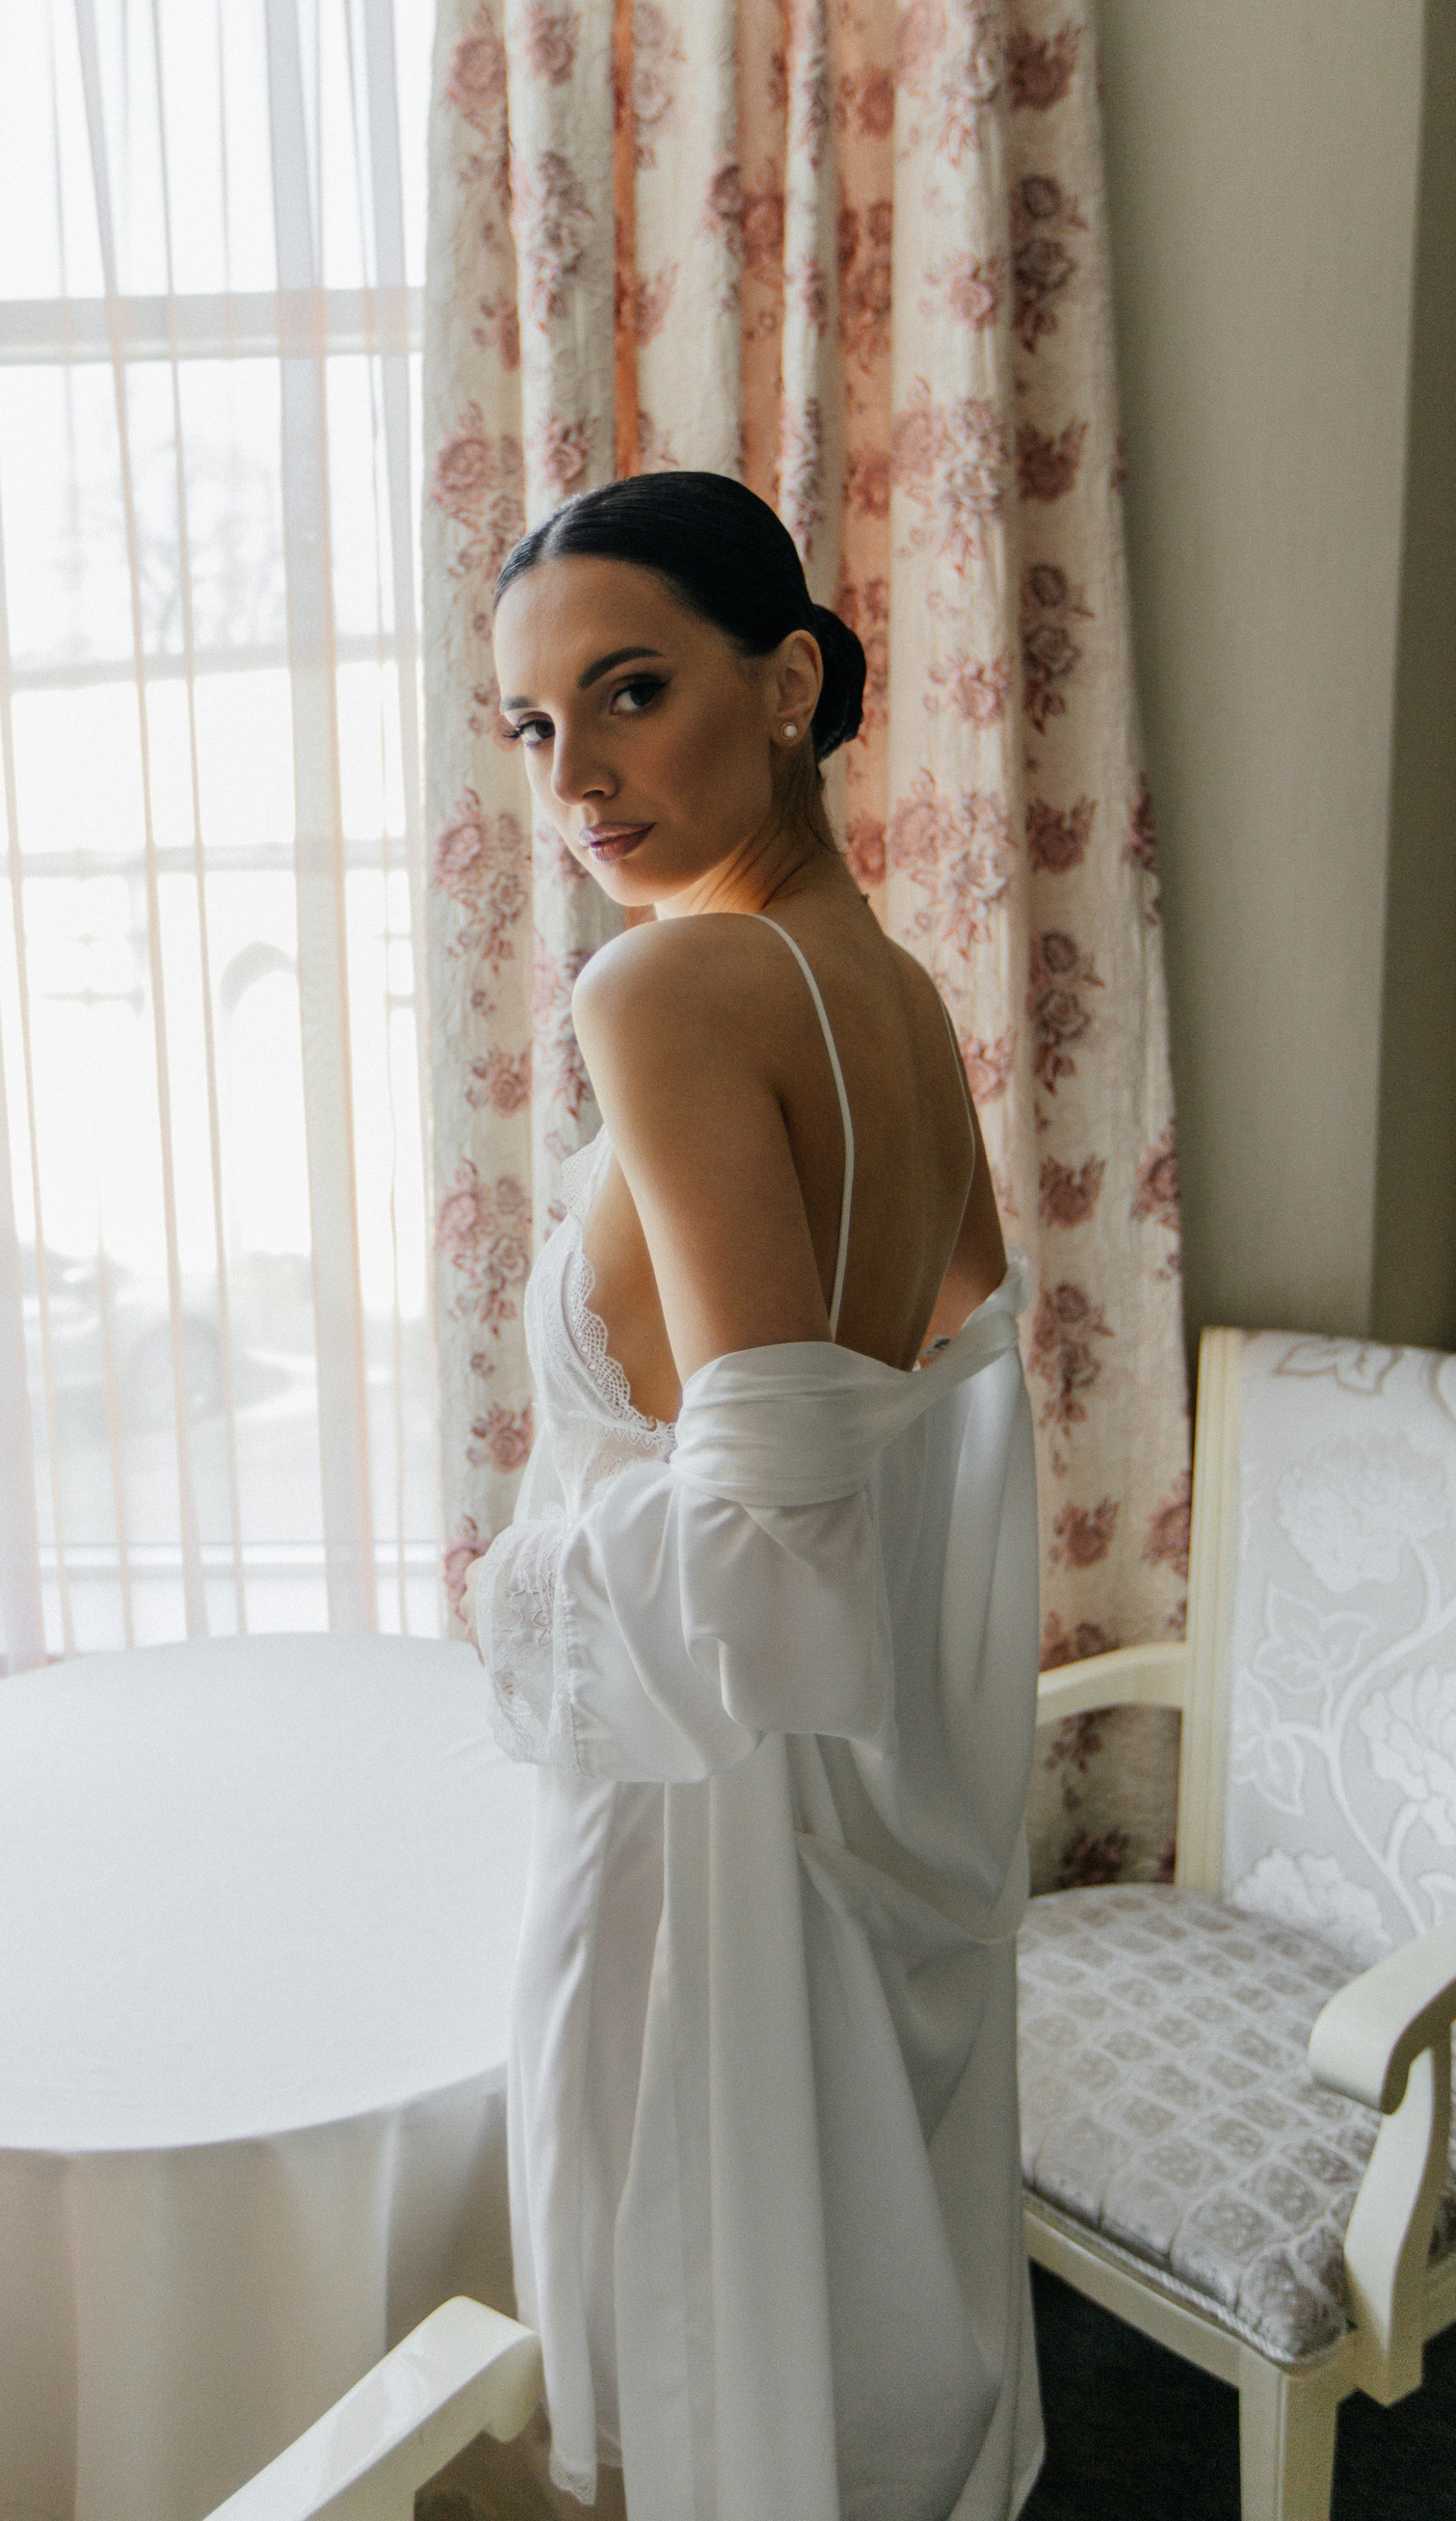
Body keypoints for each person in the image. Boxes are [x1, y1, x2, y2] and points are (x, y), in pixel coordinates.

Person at [465, 472, 1045, 2521]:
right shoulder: (892, 992)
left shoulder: (664, 992)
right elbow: (961, 1374)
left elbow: (773, 1539)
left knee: (700, 2365)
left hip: (694, 1827)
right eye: (536, 726)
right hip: (836, 1816)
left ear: (789, 680)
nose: (576, 779)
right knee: (831, 2336)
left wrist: (524, 1589)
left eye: (632, 693)